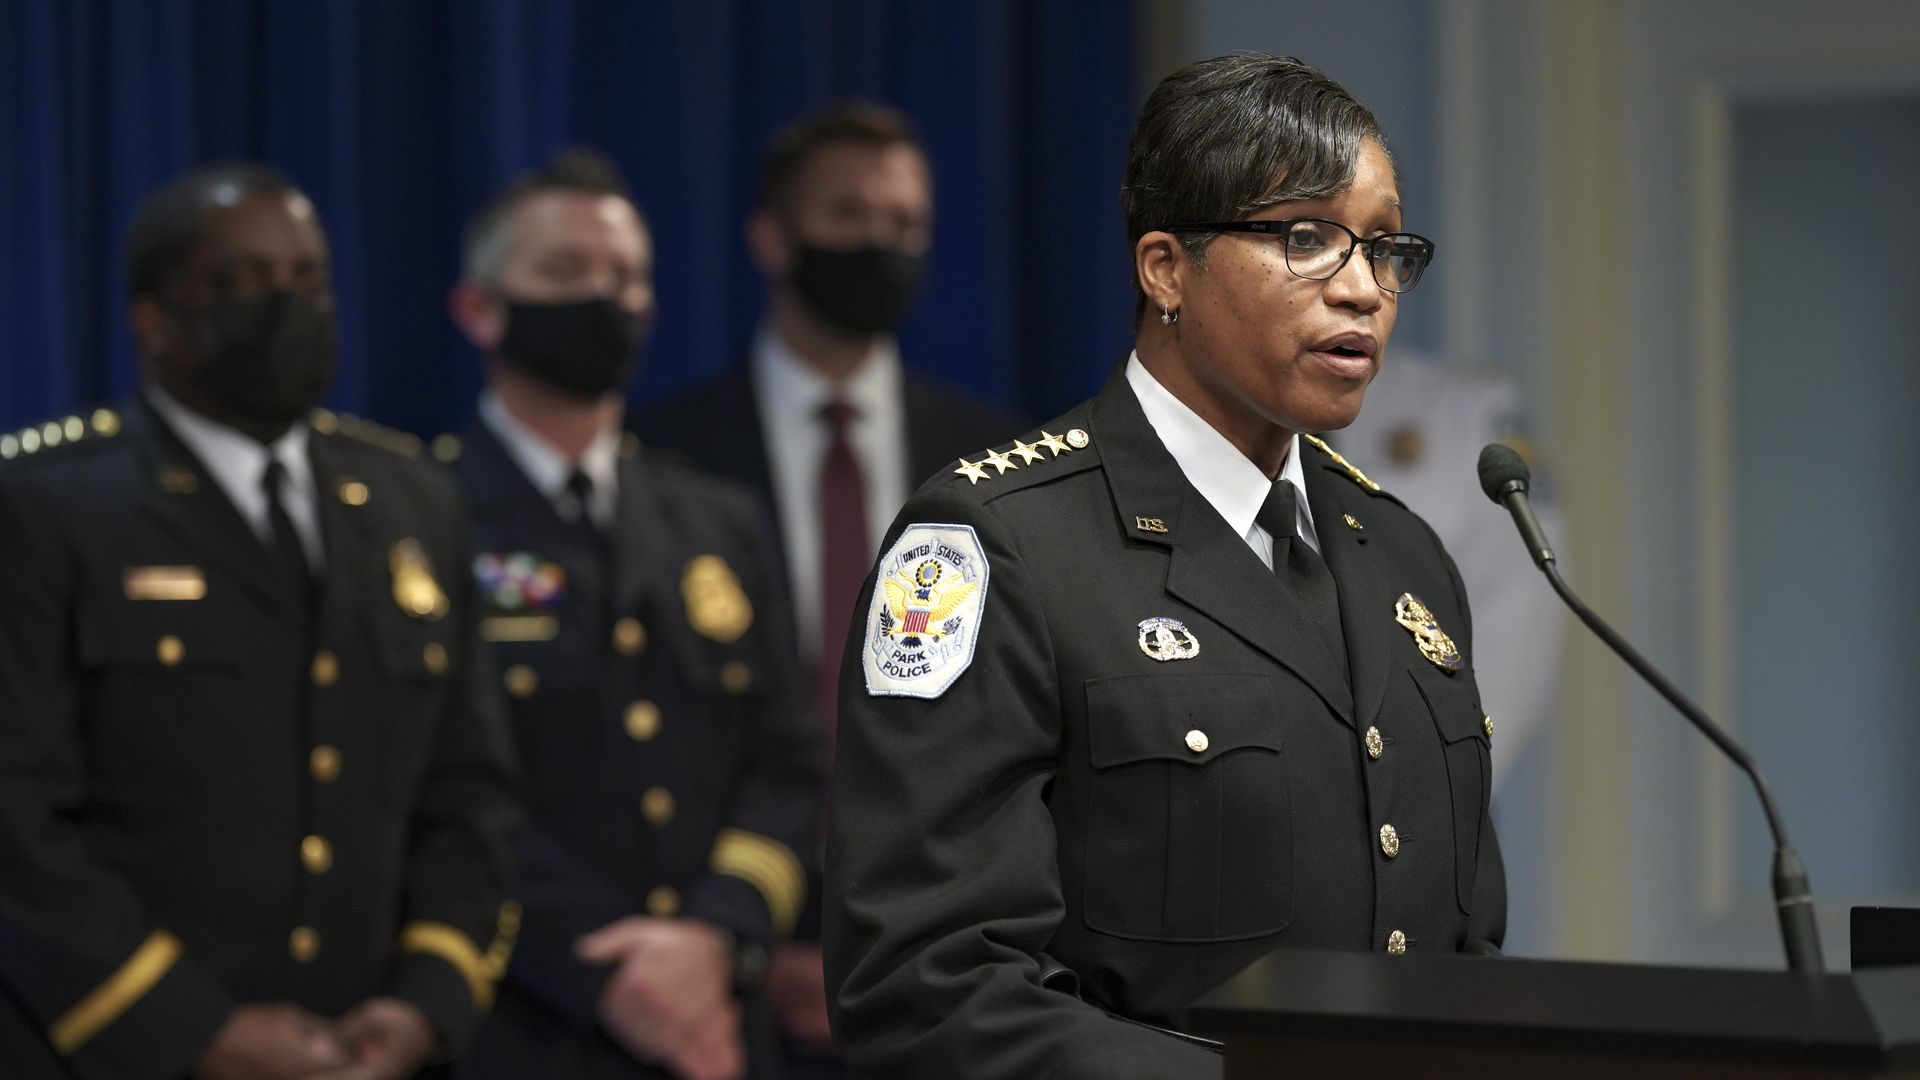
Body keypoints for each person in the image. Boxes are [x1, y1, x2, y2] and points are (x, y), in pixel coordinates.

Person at [823, 54, 1507, 1079]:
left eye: (1384, 246)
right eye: (1306, 239)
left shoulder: (1404, 554)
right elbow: (925, 987)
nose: (1363, 289)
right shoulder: (994, 544)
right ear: (1165, 270)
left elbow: (1469, 950)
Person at [0, 162, 521, 1079]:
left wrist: (426, 1003)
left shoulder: (413, 501)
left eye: (308, 281)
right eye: (242, 282)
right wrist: (191, 1031)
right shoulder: (47, 506)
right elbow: (15, 823)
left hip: (365, 1048)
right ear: (154, 319)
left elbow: (469, 793)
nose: (286, 306)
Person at [635, 101, 1024, 1071]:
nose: (879, 244)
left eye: (905, 224)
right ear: (772, 237)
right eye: (847, 215)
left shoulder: (993, 460)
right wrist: (746, 934)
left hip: (942, 957)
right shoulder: (666, 454)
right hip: (708, 960)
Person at [442, 149, 823, 1080]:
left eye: (624, 276)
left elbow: (791, 766)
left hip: (719, 1024)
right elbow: (430, 788)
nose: (602, 297)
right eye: (564, 271)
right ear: (480, 307)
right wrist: (608, 975)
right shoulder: (424, 516)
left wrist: (717, 936)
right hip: (522, 1029)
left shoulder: (718, 520)